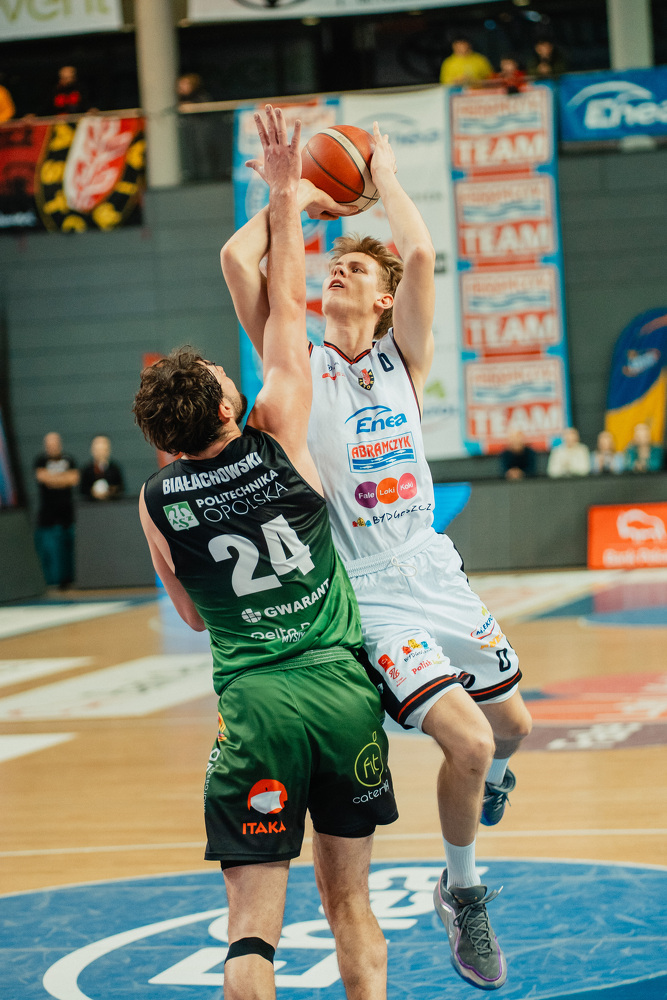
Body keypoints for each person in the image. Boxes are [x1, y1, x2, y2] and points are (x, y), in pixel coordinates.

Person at [221, 120, 533, 991]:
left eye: (356, 268)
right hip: (369, 593)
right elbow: (239, 263)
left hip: (432, 567)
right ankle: (461, 893)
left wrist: (382, 176)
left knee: (513, 730)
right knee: (468, 742)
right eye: (333, 264)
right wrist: (294, 199)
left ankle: (485, 785)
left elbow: (422, 254)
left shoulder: (403, 359)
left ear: (385, 299)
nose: (338, 270)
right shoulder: (296, 365)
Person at [133, 106, 398, 1000]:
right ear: (225, 409)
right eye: (222, 379)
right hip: (340, 692)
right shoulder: (279, 425)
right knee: (350, 907)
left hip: (254, 704)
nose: (230, 378)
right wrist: (289, 194)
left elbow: (188, 613)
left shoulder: (156, 501)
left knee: (251, 932)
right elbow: (284, 302)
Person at [34, 431, 79, 588]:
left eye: (55, 443)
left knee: (69, 551)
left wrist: (53, 479)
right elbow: (42, 477)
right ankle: (55, 582)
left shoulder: (69, 459)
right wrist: (63, 479)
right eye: (49, 444)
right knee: (53, 552)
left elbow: (73, 479)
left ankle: (69, 580)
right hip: (49, 516)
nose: (52, 447)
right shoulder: (40, 460)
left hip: (68, 515)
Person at [176, 72, 219, 181]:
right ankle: (195, 176)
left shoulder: (201, 96)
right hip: (189, 130)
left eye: (185, 84)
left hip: (202, 128)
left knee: (203, 152)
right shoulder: (179, 98)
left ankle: (207, 177)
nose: (182, 88)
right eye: (180, 85)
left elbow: (205, 108)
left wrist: (190, 106)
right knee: (191, 153)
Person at [79, 435, 125, 501]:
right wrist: (92, 492)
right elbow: (82, 490)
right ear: (92, 450)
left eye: (103, 449)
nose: (101, 452)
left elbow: (120, 488)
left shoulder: (114, 468)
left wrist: (111, 491)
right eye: (98, 449)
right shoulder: (87, 470)